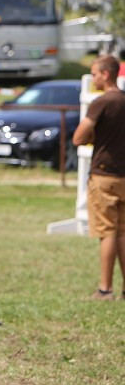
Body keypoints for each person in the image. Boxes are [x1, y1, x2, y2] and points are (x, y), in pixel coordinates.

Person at [72, 54, 125, 301]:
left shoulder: (101, 102)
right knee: (123, 232)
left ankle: (105, 289)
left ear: (106, 74)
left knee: (107, 232)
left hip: (104, 176)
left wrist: (92, 137)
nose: (93, 78)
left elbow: (78, 137)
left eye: (94, 74)